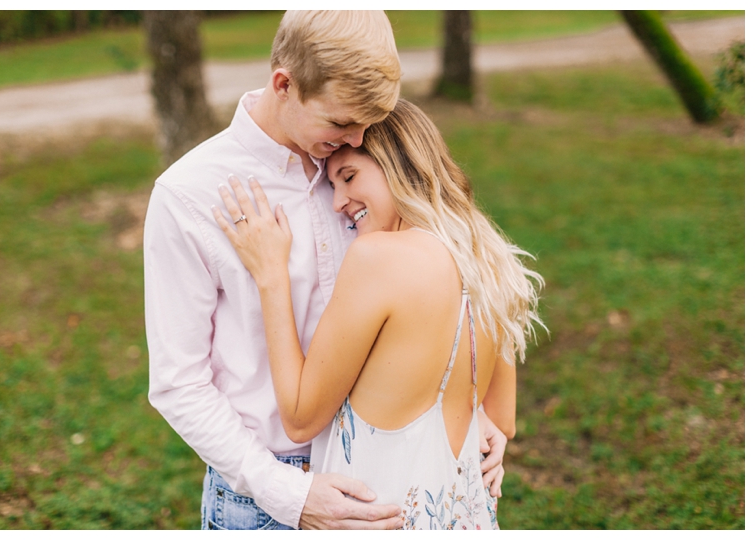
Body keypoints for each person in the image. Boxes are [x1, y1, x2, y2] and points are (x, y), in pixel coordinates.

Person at [144, 11, 508, 531]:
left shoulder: (367, 166)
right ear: (284, 84)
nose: (356, 137)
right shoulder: (189, 197)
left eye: (367, 123)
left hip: (388, 473)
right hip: (264, 498)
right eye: (340, 123)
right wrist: (287, 493)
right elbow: (179, 384)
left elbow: (447, 290)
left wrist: (470, 412)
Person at [212, 98, 544, 530]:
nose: (340, 203)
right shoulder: (491, 262)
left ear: (402, 164)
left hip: (378, 520)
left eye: (349, 177)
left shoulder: (377, 258)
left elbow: (298, 417)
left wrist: (271, 275)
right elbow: (502, 421)